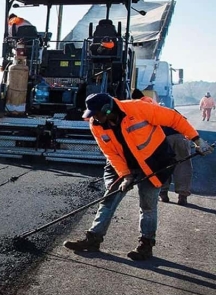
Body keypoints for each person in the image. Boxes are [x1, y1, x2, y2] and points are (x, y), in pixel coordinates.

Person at [63, 93, 213, 260]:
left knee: (147, 204)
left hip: (154, 161)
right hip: (125, 164)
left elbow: (174, 119)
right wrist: (126, 175)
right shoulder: (96, 124)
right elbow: (110, 153)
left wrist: (197, 140)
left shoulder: (137, 108)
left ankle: (146, 245)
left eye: (96, 113)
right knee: (109, 199)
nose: (94, 118)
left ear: (107, 110)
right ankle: (93, 239)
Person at [131, 89, 194, 205]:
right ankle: (182, 196)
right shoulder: (166, 108)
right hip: (181, 136)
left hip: (165, 138)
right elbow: (183, 122)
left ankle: (163, 193)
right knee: (183, 165)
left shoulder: (141, 109)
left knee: (163, 165)